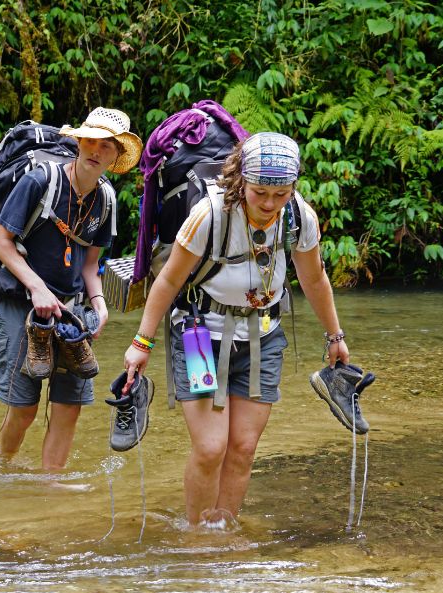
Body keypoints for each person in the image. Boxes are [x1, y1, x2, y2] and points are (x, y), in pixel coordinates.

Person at [122, 131, 351, 527]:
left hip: (263, 338)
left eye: (280, 194)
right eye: (260, 192)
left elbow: (314, 280)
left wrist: (335, 337)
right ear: (240, 179)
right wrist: (141, 343)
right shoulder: (209, 215)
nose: (269, 204)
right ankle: (196, 534)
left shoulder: (299, 216)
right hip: (198, 338)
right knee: (211, 448)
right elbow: (168, 282)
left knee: (243, 449)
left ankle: (222, 530)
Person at [0, 107, 142, 469]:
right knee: (24, 409)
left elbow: (90, 266)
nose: (96, 150)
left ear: (116, 156)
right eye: (89, 141)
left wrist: (100, 304)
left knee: (68, 409)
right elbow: (1, 241)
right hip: (21, 303)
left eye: (107, 145)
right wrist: (37, 288)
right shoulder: (40, 181)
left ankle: (50, 487)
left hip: (72, 313)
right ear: (77, 143)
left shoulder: (105, 199)